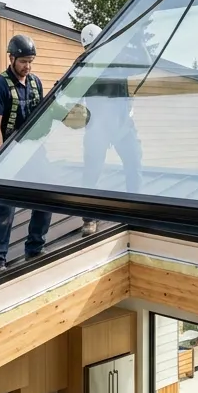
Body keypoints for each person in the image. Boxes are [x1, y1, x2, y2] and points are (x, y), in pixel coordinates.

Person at [0, 34, 51, 275]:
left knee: (45, 197)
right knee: (4, 207)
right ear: (11, 58)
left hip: (34, 149)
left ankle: (35, 248)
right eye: (23, 61)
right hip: (9, 150)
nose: (27, 66)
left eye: (30, 61)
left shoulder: (35, 82)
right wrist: (2, 157)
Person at [77, 22, 143, 237]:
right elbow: (72, 94)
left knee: (133, 164)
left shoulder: (118, 62)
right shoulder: (83, 66)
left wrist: (139, 41)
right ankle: (89, 218)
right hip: (97, 127)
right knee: (92, 173)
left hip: (123, 125)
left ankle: (135, 211)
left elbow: (145, 63)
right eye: (90, 48)